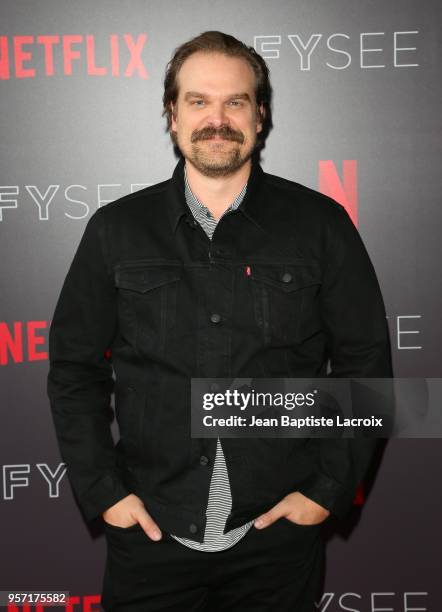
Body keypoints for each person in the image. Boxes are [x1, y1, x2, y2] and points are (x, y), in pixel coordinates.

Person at [47, 30, 393, 611]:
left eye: (235, 101)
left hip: (277, 536)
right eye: (198, 102)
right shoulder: (116, 229)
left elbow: (367, 363)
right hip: (151, 529)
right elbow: (73, 369)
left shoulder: (321, 224)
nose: (218, 119)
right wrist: (105, 491)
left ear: (260, 116)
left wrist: (325, 490)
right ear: (172, 116)